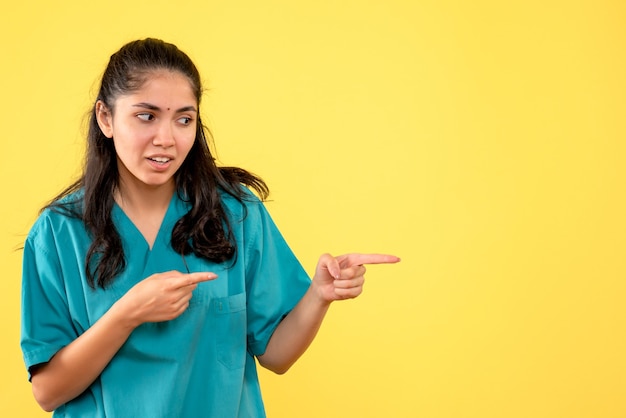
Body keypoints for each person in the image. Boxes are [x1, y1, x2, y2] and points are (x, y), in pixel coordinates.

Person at [20, 38, 400, 417]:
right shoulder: (57, 234)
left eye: (184, 119)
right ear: (106, 118)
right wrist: (128, 313)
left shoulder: (235, 215)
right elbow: (48, 392)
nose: (166, 139)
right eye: (146, 116)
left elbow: (277, 356)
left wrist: (319, 295)